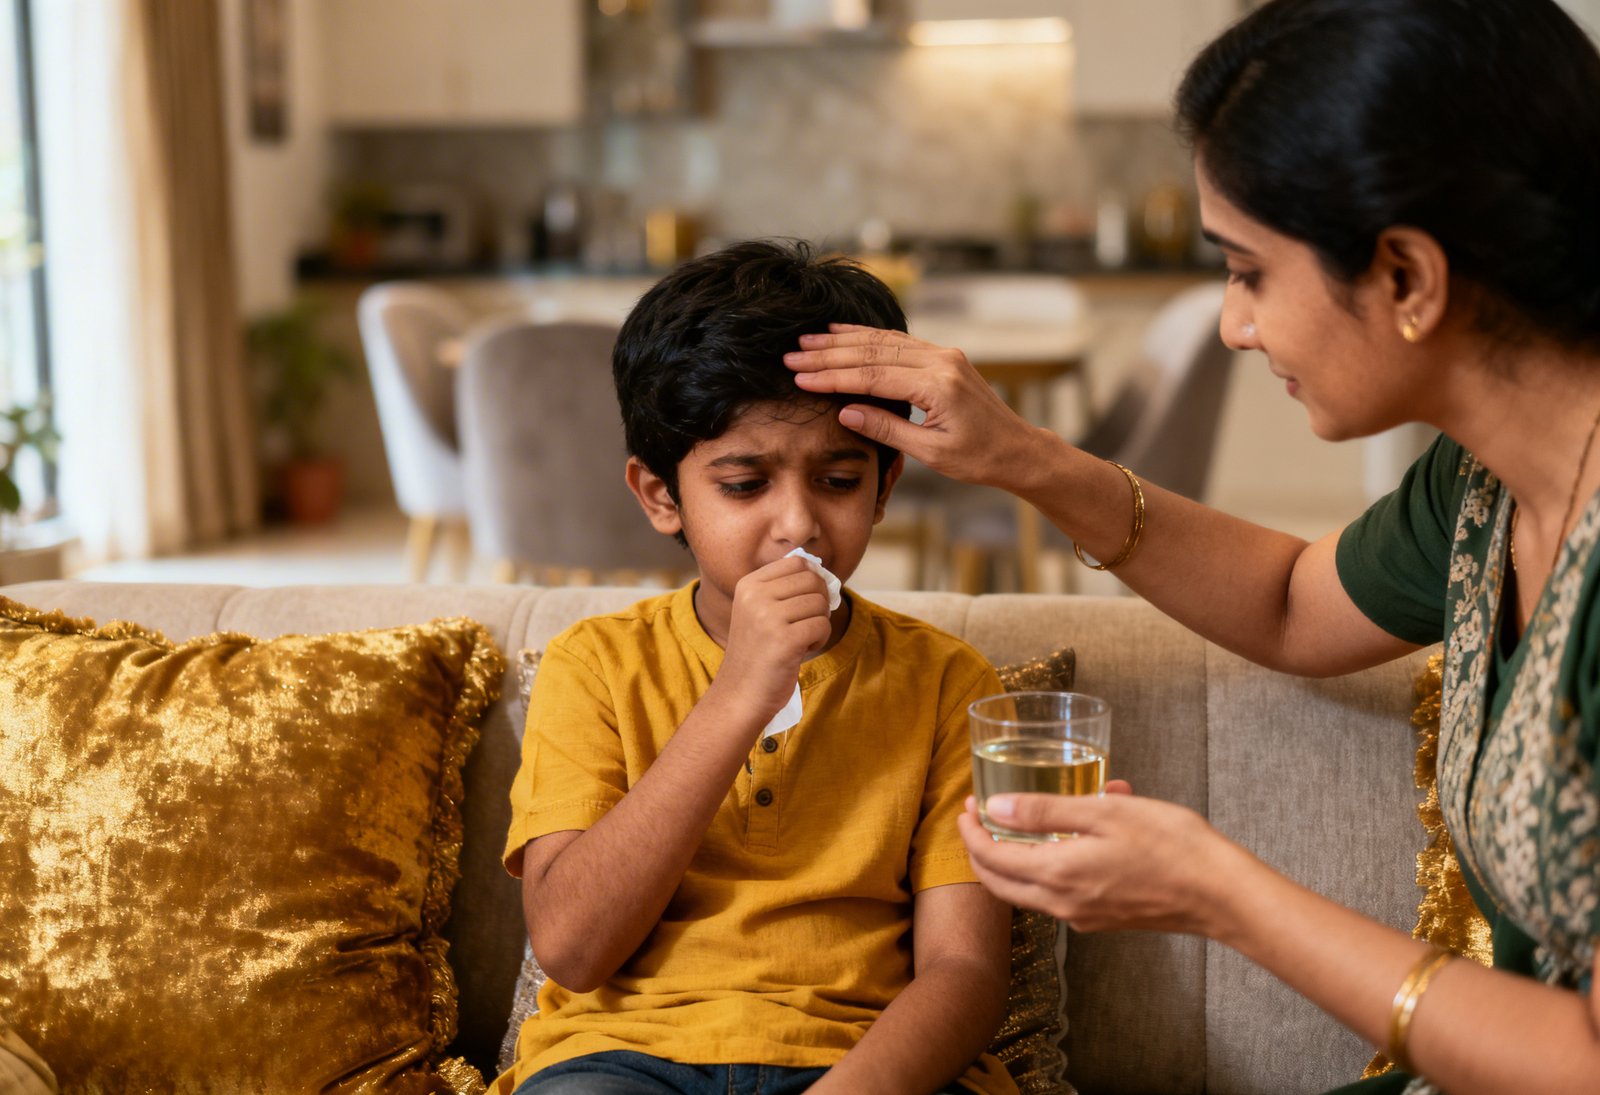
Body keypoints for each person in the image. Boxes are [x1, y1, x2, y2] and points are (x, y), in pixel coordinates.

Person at [782, 1, 1600, 1091]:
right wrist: (1024, 457)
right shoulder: (1482, 488)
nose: (1233, 324)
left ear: (1405, 276)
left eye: (1249, 269)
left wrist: (1218, 893)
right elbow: (1291, 604)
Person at [501, 239, 1019, 1095]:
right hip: (622, 1060)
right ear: (660, 495)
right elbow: (573, 946)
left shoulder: (946, 683)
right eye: (744, 485)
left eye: (840, 479)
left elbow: (965, 972)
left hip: (857, 1065)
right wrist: (741, 691)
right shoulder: (594, 664)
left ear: (885, 487)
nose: (799, 524)